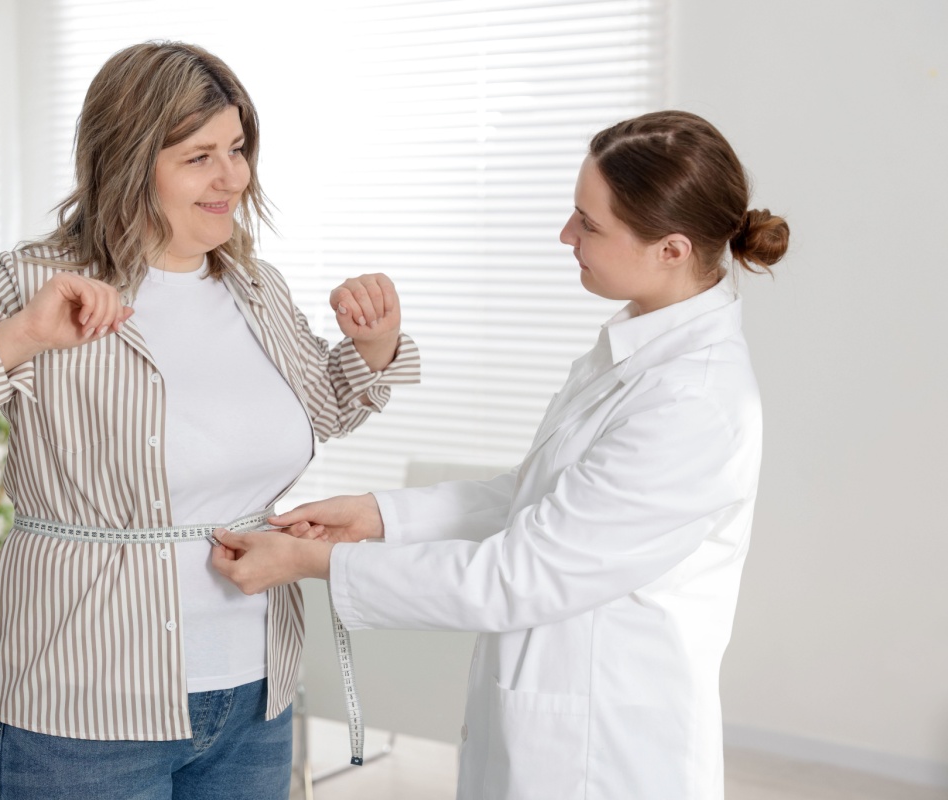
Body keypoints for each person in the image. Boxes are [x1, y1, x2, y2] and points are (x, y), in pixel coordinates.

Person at [0, 41, 419, 799]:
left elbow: (319, 410)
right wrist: (20, 338)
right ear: (130, 162)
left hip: (253, 696)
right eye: (199, 156)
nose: (233, 176)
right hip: (76, 706)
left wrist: (372, 347)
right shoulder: (35, 283)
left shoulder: (255, 287)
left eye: (237, 148)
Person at [212, 110, 789, 800]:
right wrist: (376, 516)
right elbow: (537, 498)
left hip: (604, 753)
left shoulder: (692, 400)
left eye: (589, 223)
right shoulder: (641, 347)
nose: (566, 234)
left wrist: (314, 562)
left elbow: (520, 575)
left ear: (670, 249)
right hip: (551, 725)